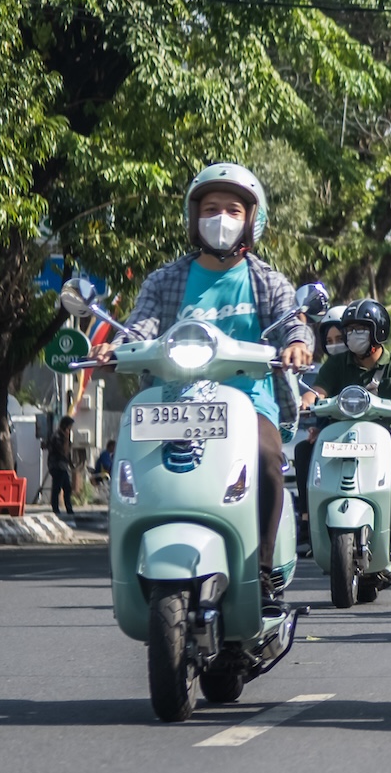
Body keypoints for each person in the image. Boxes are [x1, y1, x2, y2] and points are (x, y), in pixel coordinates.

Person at [118, 163, 314, 604]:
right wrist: (118, 346)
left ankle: (261, 569)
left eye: (232, 209)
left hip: (248, 404)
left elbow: (291, 321)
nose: (220, 218)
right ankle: (137, 561)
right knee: (132, 469)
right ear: (193, 218)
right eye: (210, 208)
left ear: (251, 220)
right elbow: (140, 325)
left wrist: (297, 344)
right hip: (172, 404)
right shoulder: (166, 279)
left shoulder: (267, 281)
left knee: (266, 462)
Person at [297, 299, 391, 554]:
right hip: (340, 430)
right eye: (349, 330)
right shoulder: (337, 364)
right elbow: (318, 391)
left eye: (360, 329)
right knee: (305, 451)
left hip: (386, 430)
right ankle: (306, 522)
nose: (352, 336)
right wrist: (306, 401)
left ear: (378, 331)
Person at [45, 416, 77, 516]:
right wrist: (67, 439)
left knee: (67, 487)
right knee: (57, 487)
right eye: (69, 426)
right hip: (56, 465)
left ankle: (69, 508)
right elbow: (63, 451)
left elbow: (68, 454)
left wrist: (71, 465)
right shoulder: (57, 436)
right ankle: (55, 508)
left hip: (63, 465)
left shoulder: (63, 436)